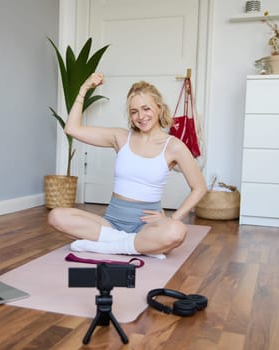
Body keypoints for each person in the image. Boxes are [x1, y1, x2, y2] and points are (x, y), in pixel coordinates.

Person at [48, 72, 207, 259]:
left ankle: (109, 246)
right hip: (112, 222)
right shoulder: (121, 137)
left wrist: (172, 218)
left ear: (159, 108)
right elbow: (72, 129)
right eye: (134, 111)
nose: (141, 116)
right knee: (56, 216)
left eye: (146, 108)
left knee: (176, 231)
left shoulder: (173, 146)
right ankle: (132, 245)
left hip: (146, 225)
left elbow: (199, 188)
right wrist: (83, 89)